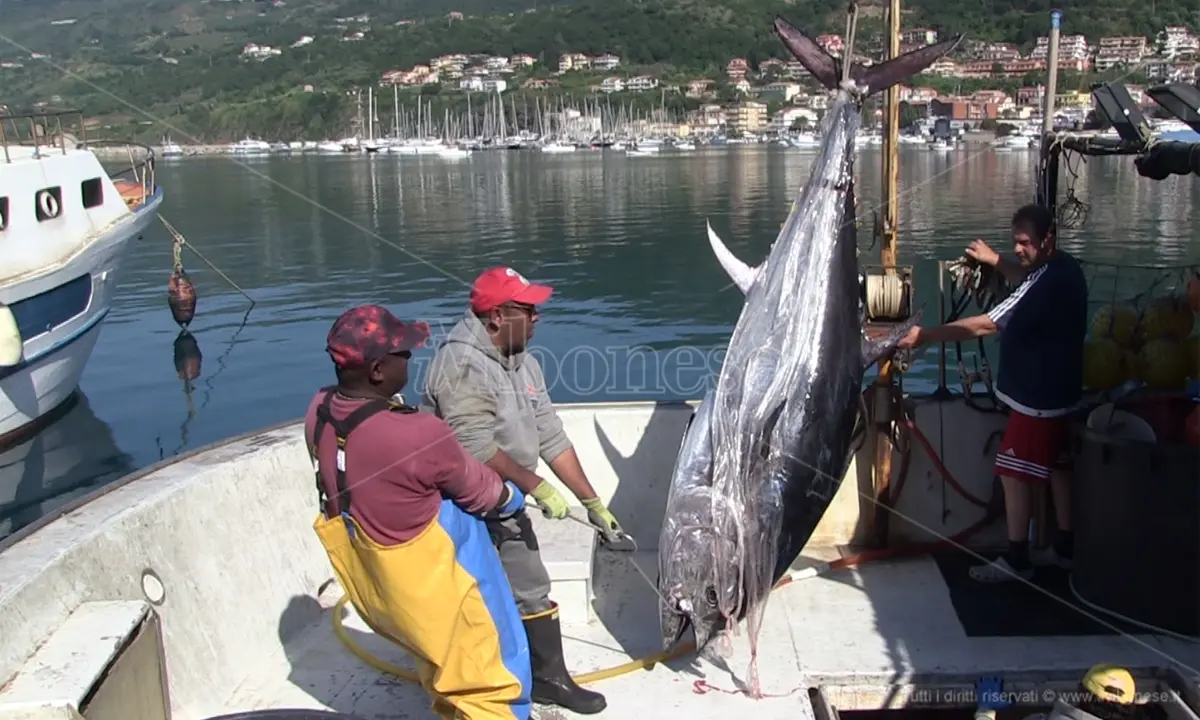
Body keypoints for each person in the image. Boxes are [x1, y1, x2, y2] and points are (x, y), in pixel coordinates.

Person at [305, 304, 533, 720]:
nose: (410, 359)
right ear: (377, 371)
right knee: (490, 682)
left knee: (440, 659)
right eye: (403, 354)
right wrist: (515, 497)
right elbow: (482, 494)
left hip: (376, 587)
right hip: (434, 586)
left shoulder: (319, 411)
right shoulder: (417, 432)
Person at [421, 266, 627, 715]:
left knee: (530, 584)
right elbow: (472, 445)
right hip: (462, 501)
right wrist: (536, 486)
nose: (537, 318)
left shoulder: (525, 363)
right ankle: (484, 685)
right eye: (527, 310)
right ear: (496, 315)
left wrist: (591, 501)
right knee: (477, 592)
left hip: (506, 495)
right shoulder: (460, 366)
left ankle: (547, 679)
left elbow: (551, 435)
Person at [897, 204, 1088, 583]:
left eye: (1024, 243)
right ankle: (1066, 548)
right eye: (1014, 242)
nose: (1018, 249)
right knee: (1059, 468)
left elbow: (988, 324)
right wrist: (996, 260)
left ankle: (1017, 560)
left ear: (1048, 238)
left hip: (1037, 402)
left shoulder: (1046, 281)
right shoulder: (1063, 271)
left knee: (1012, 473)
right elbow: (1025, 278)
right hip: (1061, 393)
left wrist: (927, 335)